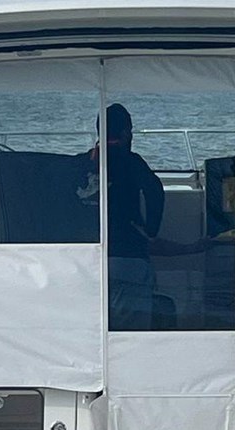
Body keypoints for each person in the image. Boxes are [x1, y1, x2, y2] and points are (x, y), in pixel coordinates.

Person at [87, 104, 165, 330]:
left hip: (86, 257)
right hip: (128, 256)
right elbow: (155, 192)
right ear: (126, 133)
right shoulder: (132, 162)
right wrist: (151, 231)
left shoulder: (84, 163)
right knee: (130, 333)